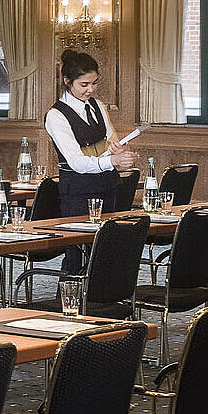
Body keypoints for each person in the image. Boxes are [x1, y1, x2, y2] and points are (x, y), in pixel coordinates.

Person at [45, 48, 137, 273]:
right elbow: (77, 163)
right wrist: (113, 161)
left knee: (105, 252)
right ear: (67, 81)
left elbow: (111, 139)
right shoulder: (56, 116)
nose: (90, 89)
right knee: (75, 257)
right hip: (77, 191)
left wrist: (119, 150)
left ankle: (101, 304)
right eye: (84, 85)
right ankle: (66, 304)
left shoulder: (98, 106)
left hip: (107, 186)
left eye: (94, 83)